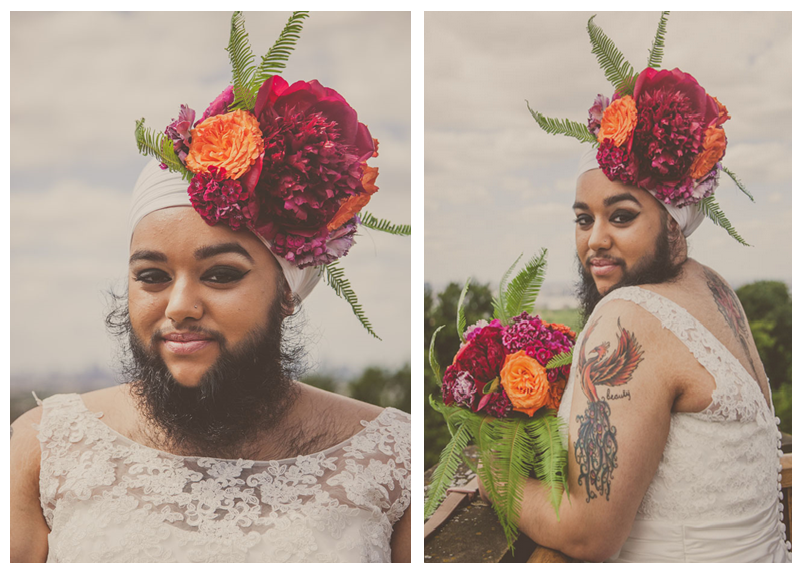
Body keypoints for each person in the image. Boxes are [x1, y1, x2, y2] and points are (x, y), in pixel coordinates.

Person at [10, 12, 410, 563]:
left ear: (289, 290)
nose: (178, 307)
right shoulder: (42, 447)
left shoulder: (393, 457)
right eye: (151, 276)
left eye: (221, 274)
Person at [482, 14, 790, 562]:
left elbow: (587, 534)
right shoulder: (713, 287)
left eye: (621, 217)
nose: (594, 241)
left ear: (675, 220)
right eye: (583, 219)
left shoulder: (628, 315)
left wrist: (493, 479)